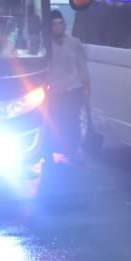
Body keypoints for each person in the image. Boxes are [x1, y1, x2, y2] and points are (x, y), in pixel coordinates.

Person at [46, 9, 90, 164]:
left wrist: (86, 87)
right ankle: (51, 152)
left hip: (72, 88)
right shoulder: (46, 45)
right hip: (54, 91)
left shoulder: (74, 43)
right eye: (54, 24)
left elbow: (82, 67)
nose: (58, 27)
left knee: (73, 121)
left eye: (61, 23)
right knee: (54, 121)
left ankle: (73, 151)